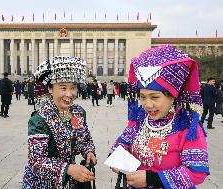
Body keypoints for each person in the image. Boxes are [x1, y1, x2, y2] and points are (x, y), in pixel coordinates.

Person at [110, 45, 209, 188]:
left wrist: (152, 179)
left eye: (154, 97)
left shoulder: (187, 126)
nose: (147, 105)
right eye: (142, 97)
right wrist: (116, 159)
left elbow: (196, 173)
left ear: (173, 97)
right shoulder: (140, 119)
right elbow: (121, 144)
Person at [22, 56, 97, 189]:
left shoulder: (78, 113)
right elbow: (36, 161)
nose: (69, 94)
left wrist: (88, 152)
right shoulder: (39, 120)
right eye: (63, 88)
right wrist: (68, 169)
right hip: (43, 183)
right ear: (50, 89)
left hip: (72, 181)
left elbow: (84, 139)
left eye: (73, 87)